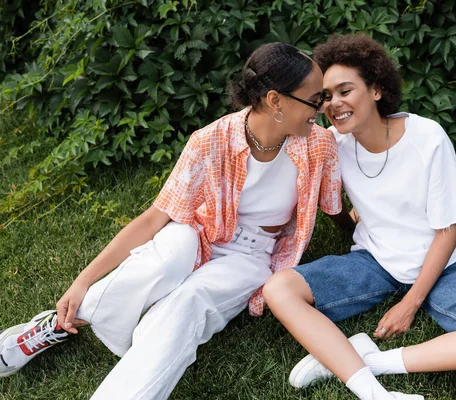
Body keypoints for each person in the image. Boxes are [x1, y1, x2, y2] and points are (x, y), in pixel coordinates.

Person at [0, 42, 343, 399]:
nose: (324, 107)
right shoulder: (209, 141)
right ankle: (60, 320)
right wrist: (82, 281)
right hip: (199, 230)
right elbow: (154, 218)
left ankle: (81, 344)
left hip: (252, 255)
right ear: (275, 100)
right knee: (165, 259)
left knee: (186, 304)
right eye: (316, 99)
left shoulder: (319, 146)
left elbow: (333, 208)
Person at [263, 34, 456, 400]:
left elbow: (448, 231)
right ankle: (359, 373)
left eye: (346, 90)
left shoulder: (427, 137)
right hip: (375, 261)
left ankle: (369, 361)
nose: (335, 104)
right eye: (327, 96)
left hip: (443, 265)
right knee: (278, 289)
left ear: (376, 89)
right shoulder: (333, 144)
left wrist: (409, 304)